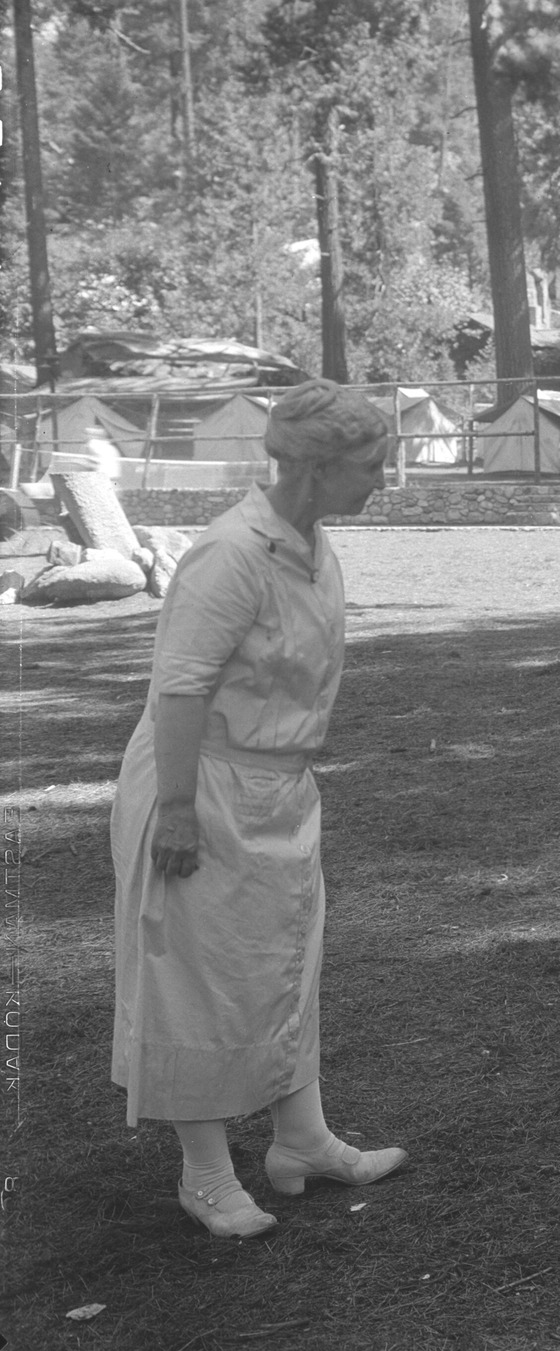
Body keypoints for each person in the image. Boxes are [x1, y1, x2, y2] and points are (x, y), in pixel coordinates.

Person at [110, 380, 408, 1240]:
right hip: (198, 784)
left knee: (281, 960)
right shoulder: (231, 553)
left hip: (278, 788)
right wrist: (173, 808)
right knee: (197, 975)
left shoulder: (311, 545)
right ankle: (205, 1175)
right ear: (314, 468)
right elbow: (179, 687)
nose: (381, 479)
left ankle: (302, 1141)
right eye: (370, 464)